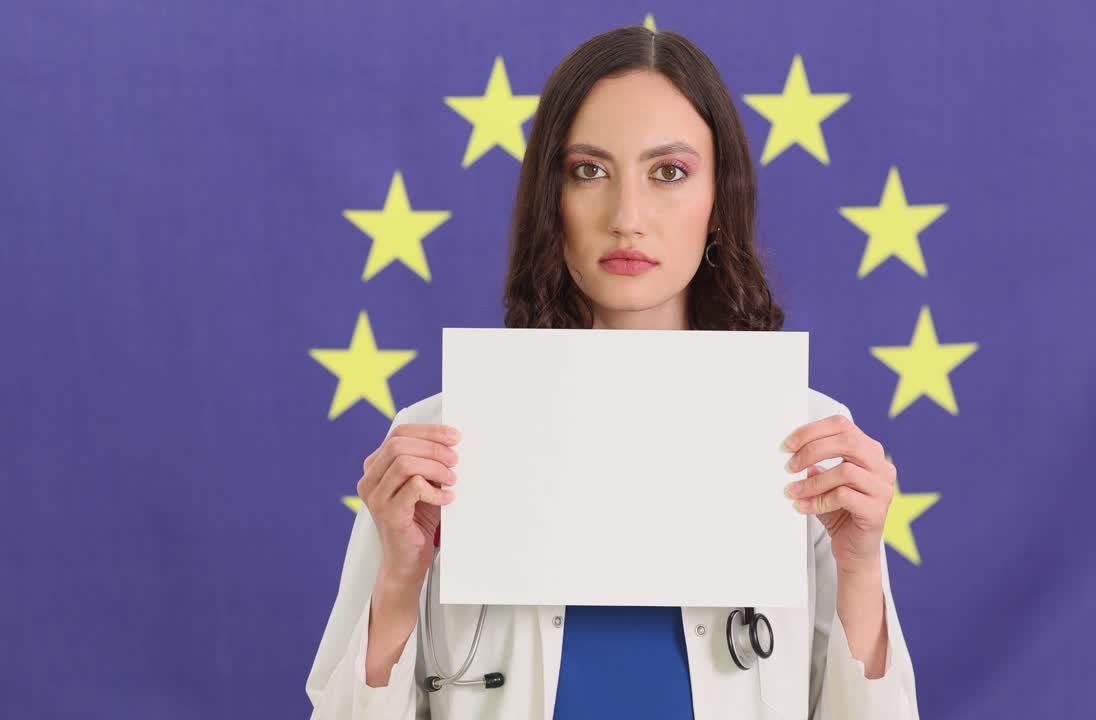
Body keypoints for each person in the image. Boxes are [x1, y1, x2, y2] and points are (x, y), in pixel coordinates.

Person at [307, 25, 919, 720]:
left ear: (719, 201)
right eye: (589, 171)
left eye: (669, 172)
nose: (627, 218)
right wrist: (397, 582)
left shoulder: (807, 443)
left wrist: (861, 567)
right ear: (551, 199)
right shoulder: (435, 441)